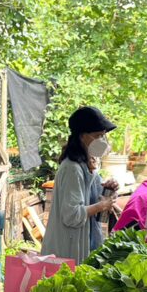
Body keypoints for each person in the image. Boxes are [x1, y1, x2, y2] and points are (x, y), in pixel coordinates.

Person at [40, 106, 119, 263]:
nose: (102, 141)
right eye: (98, 136)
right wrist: (101, 206)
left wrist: (108, 190)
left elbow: (94, 206)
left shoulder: (87, 166)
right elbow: (72, 215)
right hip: (67, 248)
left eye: (104, 136)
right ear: (83, 136)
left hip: (82, 242)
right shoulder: (73, 169)